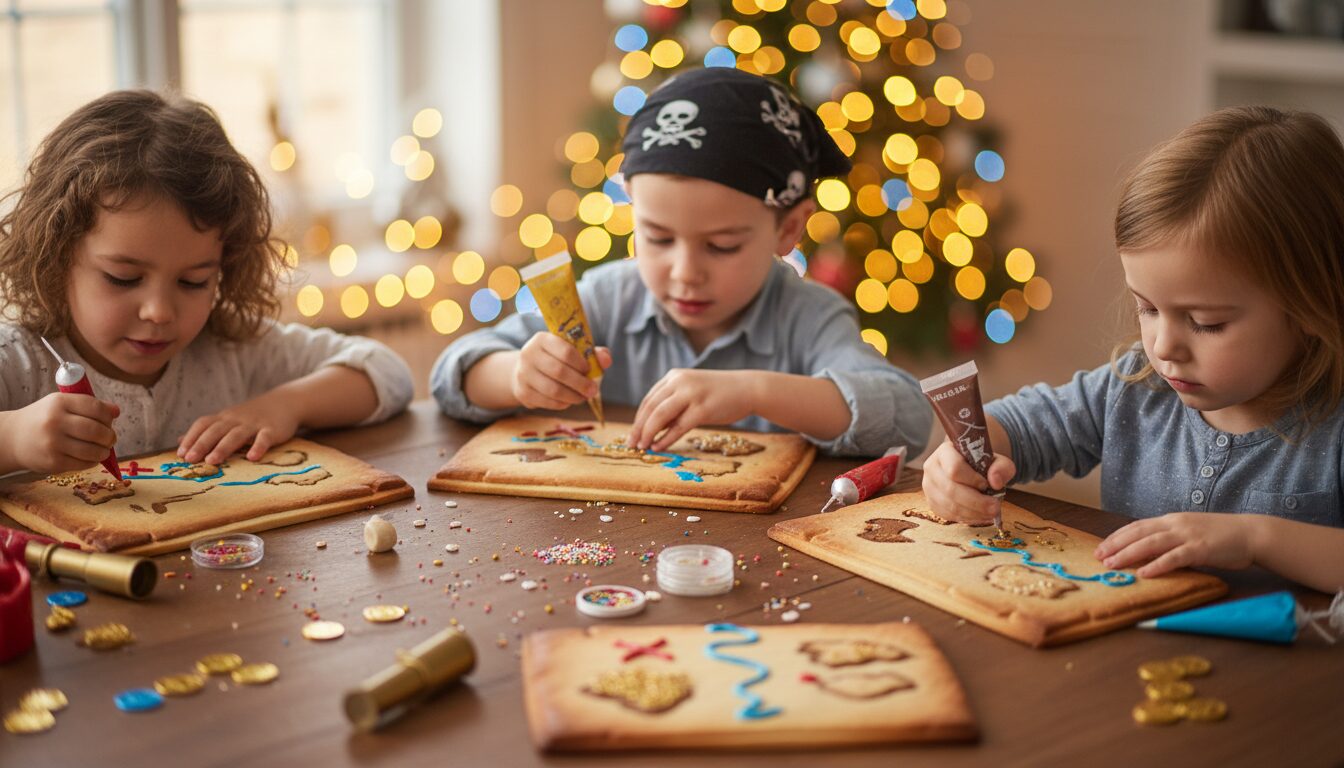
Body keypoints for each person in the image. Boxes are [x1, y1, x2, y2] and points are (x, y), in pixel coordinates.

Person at [920, 106, 1344, 593]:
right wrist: (960, 458)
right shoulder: (1136, 386)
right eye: (1147, 309)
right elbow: (1022, 425)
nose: (1164, 348)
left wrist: (1256, 539)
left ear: (1312, 304)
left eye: (1207, 323)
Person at [432, 67, 931, 458]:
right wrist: (516, 374)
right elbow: (451, 377)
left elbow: (907, 418)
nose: (685, 272)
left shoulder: (809, 316)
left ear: (788, 229)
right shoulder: (606, 299)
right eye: (657, 237)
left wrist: (756, 391)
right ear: (630, 205)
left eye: (722, 245)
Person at [0, 90, 414, 476]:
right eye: (123, 278)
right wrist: (13, 439)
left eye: (194, 281)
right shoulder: (17, 363)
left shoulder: (230, 349)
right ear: (55, 257)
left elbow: (389, 374)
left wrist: (285, 405)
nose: (159, 311)